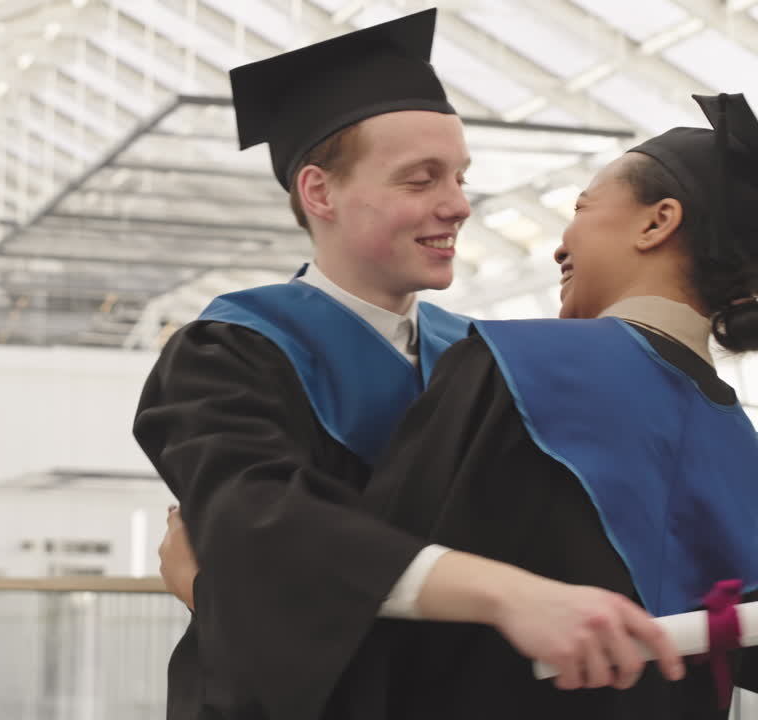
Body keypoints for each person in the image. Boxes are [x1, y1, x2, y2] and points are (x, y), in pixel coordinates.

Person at [134, 8, 680, 720]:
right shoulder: (230, 352)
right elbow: (264, 526)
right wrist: (505, 593)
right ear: (319, 192)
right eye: (422, 180)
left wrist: (214, 593)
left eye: (460, 177)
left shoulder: (487, 359)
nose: (458, 206)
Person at [350, 92, 758, 718]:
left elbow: (374, 570)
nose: (558, 247)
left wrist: (215, 584)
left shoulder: (521, 367)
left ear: (657, 223)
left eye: (581, 209)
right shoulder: (737, 439)